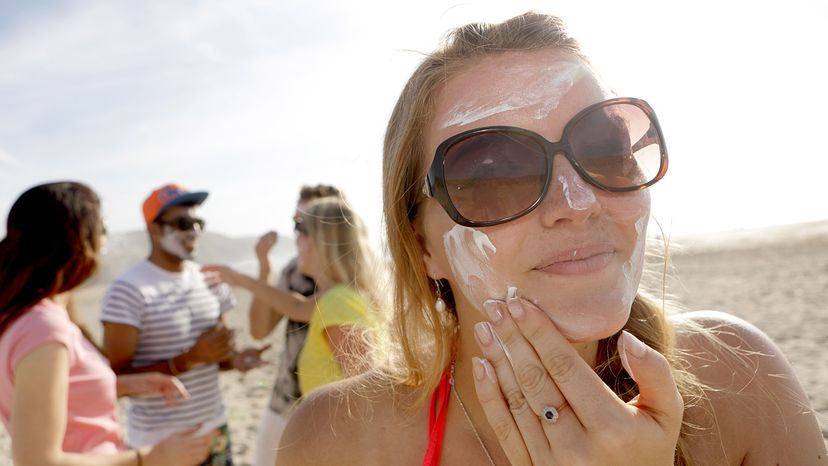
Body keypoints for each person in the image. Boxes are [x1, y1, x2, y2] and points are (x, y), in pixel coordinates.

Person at [275, 12, 827, 465]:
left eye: (606, 150)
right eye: (493, 175)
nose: (577, 203)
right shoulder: (336, 440)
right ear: (422, 246)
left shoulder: (740, 378)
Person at [0, 181, 214, 466]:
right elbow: (38, 461)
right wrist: (149, 457)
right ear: (78, 238)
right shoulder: (44, 328)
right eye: (102, 229)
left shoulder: (27, 315)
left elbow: (57, 394)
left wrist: (123, 384)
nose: (105, 241)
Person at [100, 183, 268, 466]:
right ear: (154, 229)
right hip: (160, 445)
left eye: (197, 222)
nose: (194, 231)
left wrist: (236, 359)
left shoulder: (210, 279)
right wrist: (188, 359)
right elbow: (113, 381)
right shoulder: (127, 290)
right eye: (182, 223)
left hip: (215, 431)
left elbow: (216, 357)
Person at [203, 195, 385, 396]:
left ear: (316, 240)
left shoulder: (339, 302)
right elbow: (295, 307)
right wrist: (241, 278)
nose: (294, 237)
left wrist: (241, 279)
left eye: (299, 227)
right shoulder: (337, 298)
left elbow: (368, 395)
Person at [245, 184, 341, 466]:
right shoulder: (292, 269)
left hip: (331, 410)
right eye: (296, 222)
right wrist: (263, 267)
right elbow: (259, 330)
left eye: (307, 222)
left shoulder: (358, 271)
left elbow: (305, 310)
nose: (299, 231)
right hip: (284, 400)